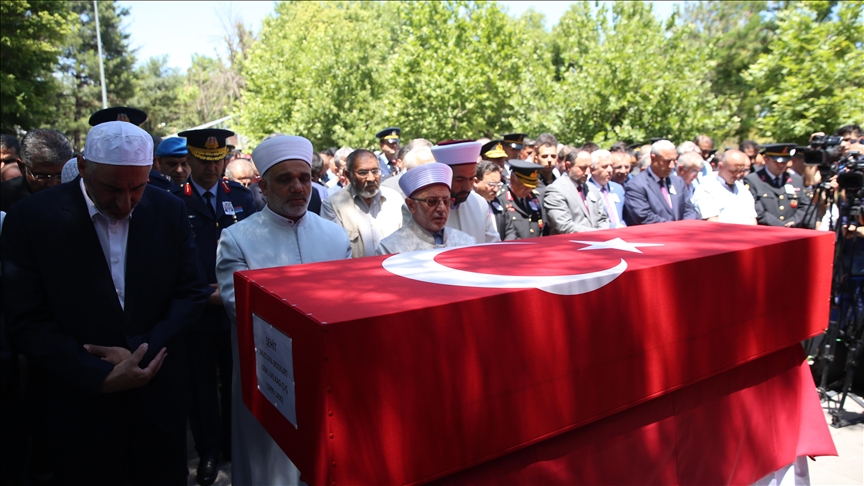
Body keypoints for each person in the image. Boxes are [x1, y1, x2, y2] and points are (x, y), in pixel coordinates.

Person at [2, 121, 209, 485]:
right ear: (83, 167)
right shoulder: (32, 218)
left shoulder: (169, 210)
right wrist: (97, 373)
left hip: (158, 405)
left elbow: (190, 293)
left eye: (137, 188)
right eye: (112, 188)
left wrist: (137, 352)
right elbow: (26, 320)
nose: (125, 202)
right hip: (77, 408)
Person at [215, 135, 350, 486]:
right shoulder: (237, 239)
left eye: (304, 178)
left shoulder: (334, 237)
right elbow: (239, 309)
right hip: (268, 380)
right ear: (263, 186)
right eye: (284, 179)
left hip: (327, 380)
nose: (297, 187)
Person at [171, 127, 257, 485]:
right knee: (201, 384)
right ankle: (208, 450)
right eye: (204, 161)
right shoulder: (175, 201)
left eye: (217, 160)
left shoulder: (242, 197)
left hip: (234, 305)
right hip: (197, 310)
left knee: (237, 378)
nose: (211, 169)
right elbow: (171, 259)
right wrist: (198, 292)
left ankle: (233, 444)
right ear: (189, 160)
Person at [376, 163, 475, 254]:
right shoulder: (389, 248)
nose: (441, 208)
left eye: (446, 201)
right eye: (432, 201)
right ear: (411, 205)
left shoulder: (466, 242)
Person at [321, 149, 403, 258]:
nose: (371, 178)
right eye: (363, 173)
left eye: (375, 171)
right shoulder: (333, 205)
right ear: (348, 175)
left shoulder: (394, 198)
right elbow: (334, 251)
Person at [430, 140, 500, 243]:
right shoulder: (423, 206)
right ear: (443, 176)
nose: (467, 187)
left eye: (471, 179)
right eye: (459, 180)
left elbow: (494, 245)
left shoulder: (479, 203)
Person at [623, 139, 699, 225]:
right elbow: (643, 216)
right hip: (654, 236)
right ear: (653, 158)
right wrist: (675, 227)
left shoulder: (678, 182)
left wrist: (684, 226)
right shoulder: (636, 185)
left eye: (674, 161)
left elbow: (689, 210)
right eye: (667, 161)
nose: (671, 166)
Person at [0, 129, 73, 211]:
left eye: (60, 175)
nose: (53, 184)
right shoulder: (3, 197)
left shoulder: (82, 193)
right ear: (22, 167)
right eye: (43, 176)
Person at [744, 143, 814, 228]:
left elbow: (805, 206)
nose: (781, 165)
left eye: (784, 162)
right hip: (766, 230)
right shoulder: (753, 180)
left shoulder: (796, 180)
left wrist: (793, 221)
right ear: (766, 160)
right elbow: (756, 209)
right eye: (776, 162)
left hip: (792, 230)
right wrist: (780, 225)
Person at [545, 150, 610, 234]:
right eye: (583, 168)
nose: (587, 172)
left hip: (597, 242)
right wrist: (596, 233)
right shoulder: (556, 190)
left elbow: (603, 218)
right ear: (568, 166)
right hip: (570, 244)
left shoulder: (591, 188)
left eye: (589, 168)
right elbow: (565, 226)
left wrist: (602, 232)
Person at [692, 149, 757, 225]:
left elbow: (752, 219)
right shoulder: (706, 188)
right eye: (733, 171)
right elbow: (711, 221)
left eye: (741, 171)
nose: (738, 175)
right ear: (720, 166)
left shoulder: (742, 189)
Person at [501, 159, 548, 238]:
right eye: (525, 186)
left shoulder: (535, 198)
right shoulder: (501, 199)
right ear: (512, 179)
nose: (529, 190)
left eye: (532, 187)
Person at [474, 160, 516, 241]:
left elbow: (510, 231)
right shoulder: (468, 206)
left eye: (498, 185)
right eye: (491, 185)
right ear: (476, 181)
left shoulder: (499, 203)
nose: (496, 189)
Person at [587, 149, 626, 228]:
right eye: (604, 167)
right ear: (592, 169)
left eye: (611, 166)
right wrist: (614, 227)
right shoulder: (586, 190)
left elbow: (626, 215)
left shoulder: (618, 188)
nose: (610, 170)